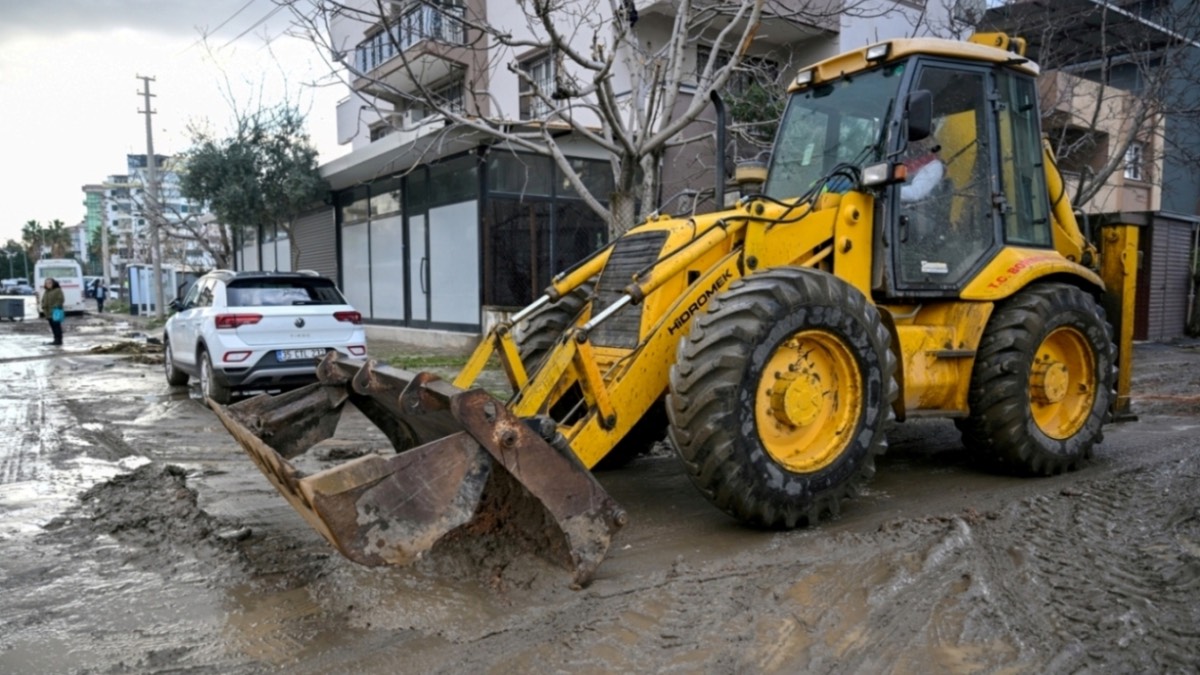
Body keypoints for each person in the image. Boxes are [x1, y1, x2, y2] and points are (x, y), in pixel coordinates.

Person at [41, 278, 64, 346]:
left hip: (56, 311)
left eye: (50, 283)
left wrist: (55, 307)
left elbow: (61, 299)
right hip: (48, 312)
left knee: (57, 326)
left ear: (53, 283)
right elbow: (43, 300)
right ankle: (55, 339)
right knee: (52, 326)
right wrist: (43, 306)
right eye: (46, 283)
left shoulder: (57, 290)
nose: (48, 284)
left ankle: (58, 340)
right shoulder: (46, 291)